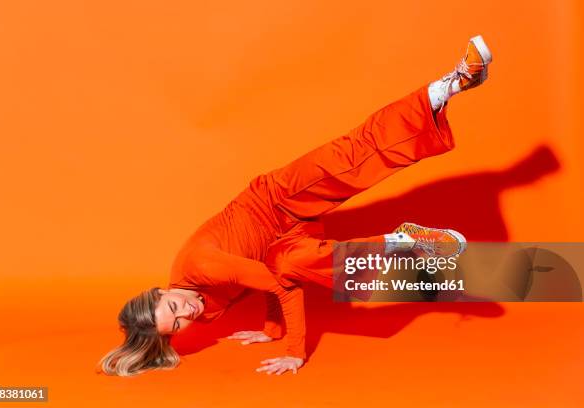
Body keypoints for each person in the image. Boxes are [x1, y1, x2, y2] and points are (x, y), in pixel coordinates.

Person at [98, 35, 493, 377]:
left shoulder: (202, 268)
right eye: (179, 324)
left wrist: (292, 352)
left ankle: (451, 85)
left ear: (158, 291)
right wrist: (270, 331)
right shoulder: (205, 309)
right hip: (282, 240)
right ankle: (402, 242)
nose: (188, 312)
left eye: (174, 306)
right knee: (291, 264)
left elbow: (281, 291)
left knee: (355, 154)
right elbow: (270, 276)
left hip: (276, 201)